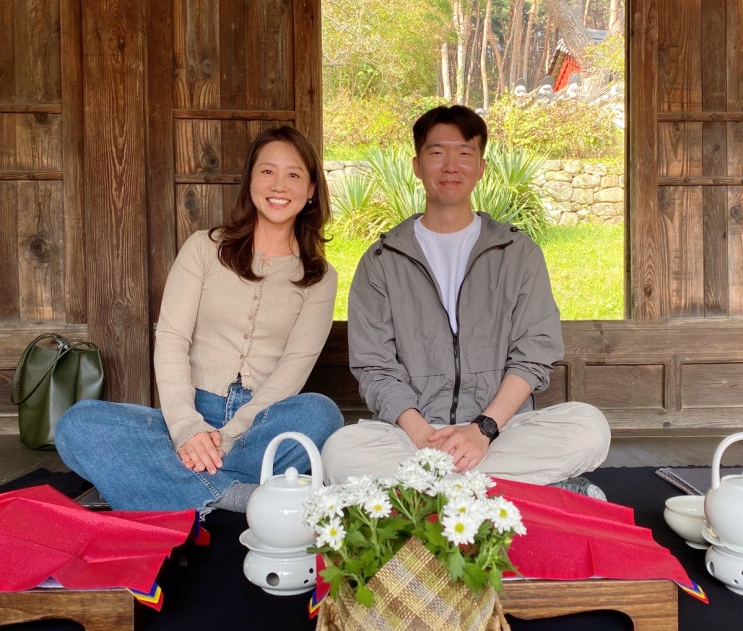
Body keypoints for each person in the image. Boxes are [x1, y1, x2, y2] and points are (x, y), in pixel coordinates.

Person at [321, 105, 611, 497]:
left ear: (481, 167)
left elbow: (535, 352)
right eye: (437, 152)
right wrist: (424, 436)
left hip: (499, 431)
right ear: (417, 165)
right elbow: (375, 367)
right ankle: (519, 490)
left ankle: (433, 492)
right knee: (341, 452)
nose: (450, 166)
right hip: (413, 436)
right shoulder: (382, 260)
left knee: (590, 428)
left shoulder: (517, 252)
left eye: (464, 153)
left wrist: (482, 431)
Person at [56, 126, 344, 512]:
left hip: (261, 424)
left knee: (322, 415)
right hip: (191, 406)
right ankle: (235, 497)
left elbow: (294, 368)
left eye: (293, 174)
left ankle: (164, 485)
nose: (279, 185)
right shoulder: (204, 248)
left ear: (310, 190)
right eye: (267, 171)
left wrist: (228, 437)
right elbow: (172, 337)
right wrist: (186, 428)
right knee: (78, 424)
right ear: (250, 180)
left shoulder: (321, 278)